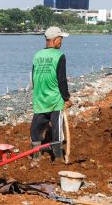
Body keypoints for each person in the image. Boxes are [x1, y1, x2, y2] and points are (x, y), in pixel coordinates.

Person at [30, 26, 71, 161]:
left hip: (40, 99)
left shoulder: (37, 55)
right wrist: (66, 98)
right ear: (54, 40)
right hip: (55, 100)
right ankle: (58, 158)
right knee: (57, 131)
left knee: (36, 130)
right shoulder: (59, 56)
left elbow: (34, 78)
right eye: (61, 39)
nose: (62, 42)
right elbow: (62, 80)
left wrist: (36, 94)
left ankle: (36, 157)